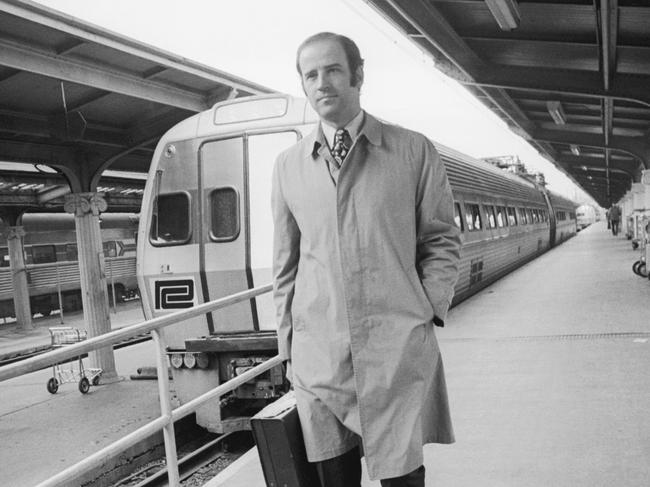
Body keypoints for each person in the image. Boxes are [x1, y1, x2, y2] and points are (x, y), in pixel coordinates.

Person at [272, 32, 461, 487]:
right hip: (321, 355)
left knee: (403, 477)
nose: (322, 82)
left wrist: (426, 310)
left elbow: (441, 240)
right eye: (310, 74)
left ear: (357, 75)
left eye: (333, 70)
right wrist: (288, 347)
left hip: (395, 348)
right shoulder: (288, 166)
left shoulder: (412, 150)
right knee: (333, 478)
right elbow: (286, 264)